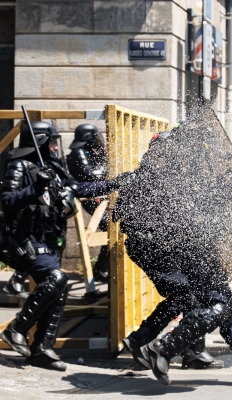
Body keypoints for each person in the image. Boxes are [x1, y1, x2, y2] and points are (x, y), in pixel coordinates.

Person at [0, 121, 126, 370]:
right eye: (52, 141)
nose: (57, 146)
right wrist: (36, 186)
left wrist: (116, 183)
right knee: (56, 278)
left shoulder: (54, 168)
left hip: (45, 240)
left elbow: (78, 188)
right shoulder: (20, 166)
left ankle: (41, 349)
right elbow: (7, 201)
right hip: (21, 239)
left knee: (59, 286)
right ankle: (16, 328)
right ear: (40, 141)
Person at [118, 128, 223, 371]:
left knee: (189, 293)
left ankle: (189, 350)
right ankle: (142, 341)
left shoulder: (165, 175)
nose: (174, 157)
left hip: (158, 245)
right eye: (167, 152)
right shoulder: (147, 177)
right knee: (185, 295)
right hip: (149, 246)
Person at [66, 124, 110, 282]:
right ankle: (101, 269)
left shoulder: (91, 151)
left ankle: (101, 268)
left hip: (98, 196)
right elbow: (90, 175)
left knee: (112, 228)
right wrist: (108, 170)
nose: (99, 139)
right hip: (90, 197)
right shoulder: (79, 152)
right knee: (110, 227)